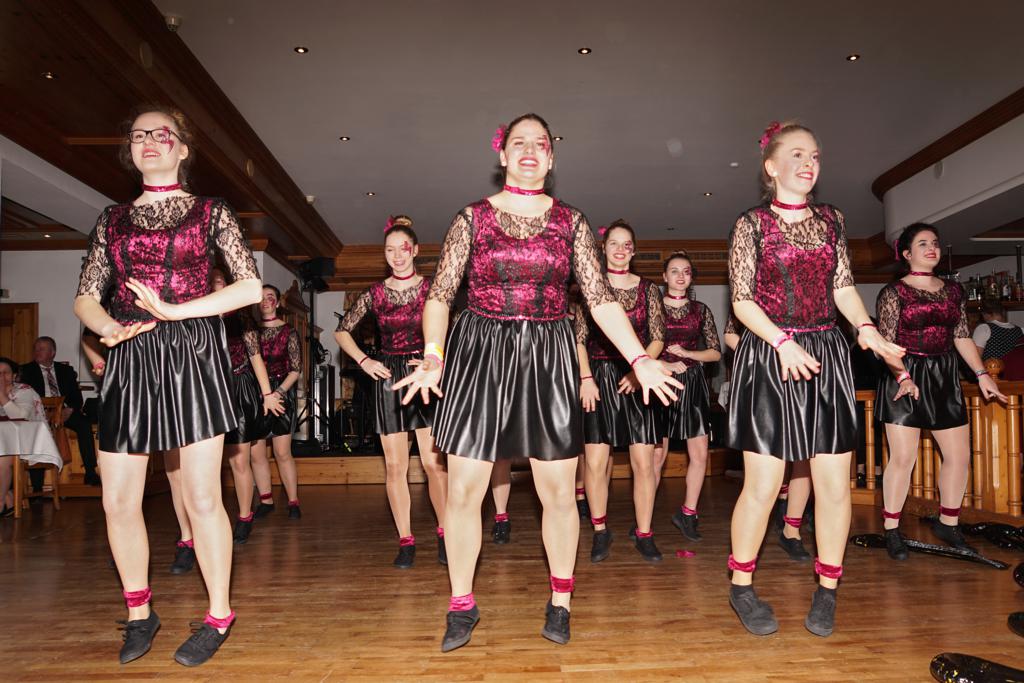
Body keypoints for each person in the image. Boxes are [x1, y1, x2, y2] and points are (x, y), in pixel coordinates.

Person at [393, 114, 681, 651]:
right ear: (502, 155)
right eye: (518, 142)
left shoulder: (571, 221)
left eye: (540, 144)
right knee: (465, 490)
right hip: (480, 353)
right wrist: (433, 354)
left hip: (548, 355)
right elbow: (440, 295)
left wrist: (640, 358)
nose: (530, 150)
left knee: (558, 492)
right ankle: (461, 603)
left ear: (551, 157)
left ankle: (561, 600)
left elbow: (599, 300)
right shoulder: (471, 218)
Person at [73, 105, 261, 666]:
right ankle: (139, 612)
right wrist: (108, 327)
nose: (149, 141)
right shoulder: (111, 219)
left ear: (182, 148)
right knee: (117, 499)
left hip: (192, 354)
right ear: (130, 150)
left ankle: (219, 614)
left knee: (202, 496)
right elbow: (86, 296)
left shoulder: (210, 211)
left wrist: (176, 311)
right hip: (131, 354)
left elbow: (249, 289)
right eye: (139, 136)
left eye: (162, 134)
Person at [726, 121, 904, 638]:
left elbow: (843, 286)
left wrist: (866, 329)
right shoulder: (751, 224)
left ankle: (827, 589)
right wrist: (782, 341)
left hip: (825, 353)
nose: (809, 164)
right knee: (763, 486)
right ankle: (741, 585)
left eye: (816, 156)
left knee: (832, 485)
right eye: (798, 154)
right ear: (771, 166)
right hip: (770, 354)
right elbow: (741, 300)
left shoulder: (832, 219)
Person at [876, 223, 1007, 559]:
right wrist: (903, 376)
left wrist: (982, 374)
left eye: (934, 242)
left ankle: (948, 523)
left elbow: (961, 336)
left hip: (944, 376)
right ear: (907, 254)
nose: (931, 248)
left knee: (959, 456)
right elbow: (885, 345)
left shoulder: (953, 291)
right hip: (903, 373)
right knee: (903, 458)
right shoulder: (894, 293)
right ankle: (892, 529)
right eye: (922, 243)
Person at [336, 215, 448, 568]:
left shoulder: (433, 289)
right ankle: (406, 540)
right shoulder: (375, 293)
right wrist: (364, 360)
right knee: (396, 466)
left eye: (403, 249)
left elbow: (450, 329)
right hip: (388, 378)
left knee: (432, 463)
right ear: (384, 254)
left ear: (415, 250)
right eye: (390, 250)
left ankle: (446, 533)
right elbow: (342, 331)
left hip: (423, 374)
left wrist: (436, 360)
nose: (397, 256)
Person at [576, 220, 666, 563]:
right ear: (603, 248)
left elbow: (658, 338)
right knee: (596, 462)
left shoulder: (648, 290)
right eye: (613, 243)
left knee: (644, 463)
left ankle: (645, 532)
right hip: (597, 379)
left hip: (639, 378)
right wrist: (586, 378)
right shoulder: (590, 288)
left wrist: (637, 370)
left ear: (634, 250)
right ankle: (600, 530)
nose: (620, 249)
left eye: (626, 244)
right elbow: (579, 340)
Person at [653, 252, 722, 543]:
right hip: (660, 383)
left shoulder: (701, 310)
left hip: (693, 384)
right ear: (664, 276)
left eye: (686, 271)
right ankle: (644, 517)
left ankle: (688, 514)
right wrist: (664, 364)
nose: (681, 276)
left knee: (700, 454)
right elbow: (639, 350)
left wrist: (689, 354)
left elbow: (715, 352)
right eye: (674, 271)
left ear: (691, 277)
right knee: (657, 455)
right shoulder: (653, 307)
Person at [213, 269, 283, 544]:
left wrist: (267, 394)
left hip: (239, 388)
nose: (215, 285)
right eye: (210, 281)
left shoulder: (241, 318)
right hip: (210, 389)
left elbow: (256, 358)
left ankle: (244, 517)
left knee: (239, 459)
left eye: (219, 281)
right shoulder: (197, 315)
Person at [250, 284, 303, 519]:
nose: (265, 300)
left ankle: (293, 502)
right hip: (256, 395)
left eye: (270, 296)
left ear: (278, 302)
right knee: (256, 454)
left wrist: (278, 393)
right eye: (261, 297)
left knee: (282, 452)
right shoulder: (250, 331)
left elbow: (296, 370)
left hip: (282, 393)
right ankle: (266, 500)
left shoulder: (289, 331)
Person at [20, 336, 100, 485]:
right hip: (39, 413)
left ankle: (90, 472)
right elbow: (24, 397)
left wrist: (69, 410)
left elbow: (77, 398)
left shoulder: (66, 371)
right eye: (35, 349)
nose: (37, 352)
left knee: (84, 424)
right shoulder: (26, 370)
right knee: (35, 432)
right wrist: (42, 411)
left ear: (52, 352)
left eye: (41, 349)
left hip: (63, 411)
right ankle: (37, 486)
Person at [0, 357, 46, 516]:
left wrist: (2, 396)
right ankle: (8, 497)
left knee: (3, 456)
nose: (1, 377)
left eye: (5, 373)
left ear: (14, 376)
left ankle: (1, 503)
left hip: (28, 442)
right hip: (5, 441)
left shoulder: (24, 391)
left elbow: (20, 416)